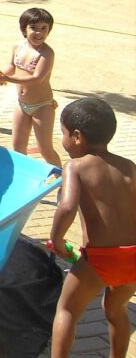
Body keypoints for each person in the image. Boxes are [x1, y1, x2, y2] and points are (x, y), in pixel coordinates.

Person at [49, 98, 136, 358]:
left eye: (63, 133)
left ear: (77, 136)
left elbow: (67, 207)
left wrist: (57, 240)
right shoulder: (128, 166)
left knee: (67, 310)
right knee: (116, 309)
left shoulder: (75, 166)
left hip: (99, 259)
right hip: (132, 256)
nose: (63, 140)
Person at [0, 7, 61, 168]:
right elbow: (11, 66)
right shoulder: (17, 47)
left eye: (44, 28)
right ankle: (20, 173)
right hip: (22, 104)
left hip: (42, 106)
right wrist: (1, 75)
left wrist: (7, 78)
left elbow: (37, 78)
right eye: (33, 28)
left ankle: (63, 177)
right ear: (24, 29)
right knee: (17, 146)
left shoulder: (47, 53)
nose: (39, 33)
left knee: (45, 149)